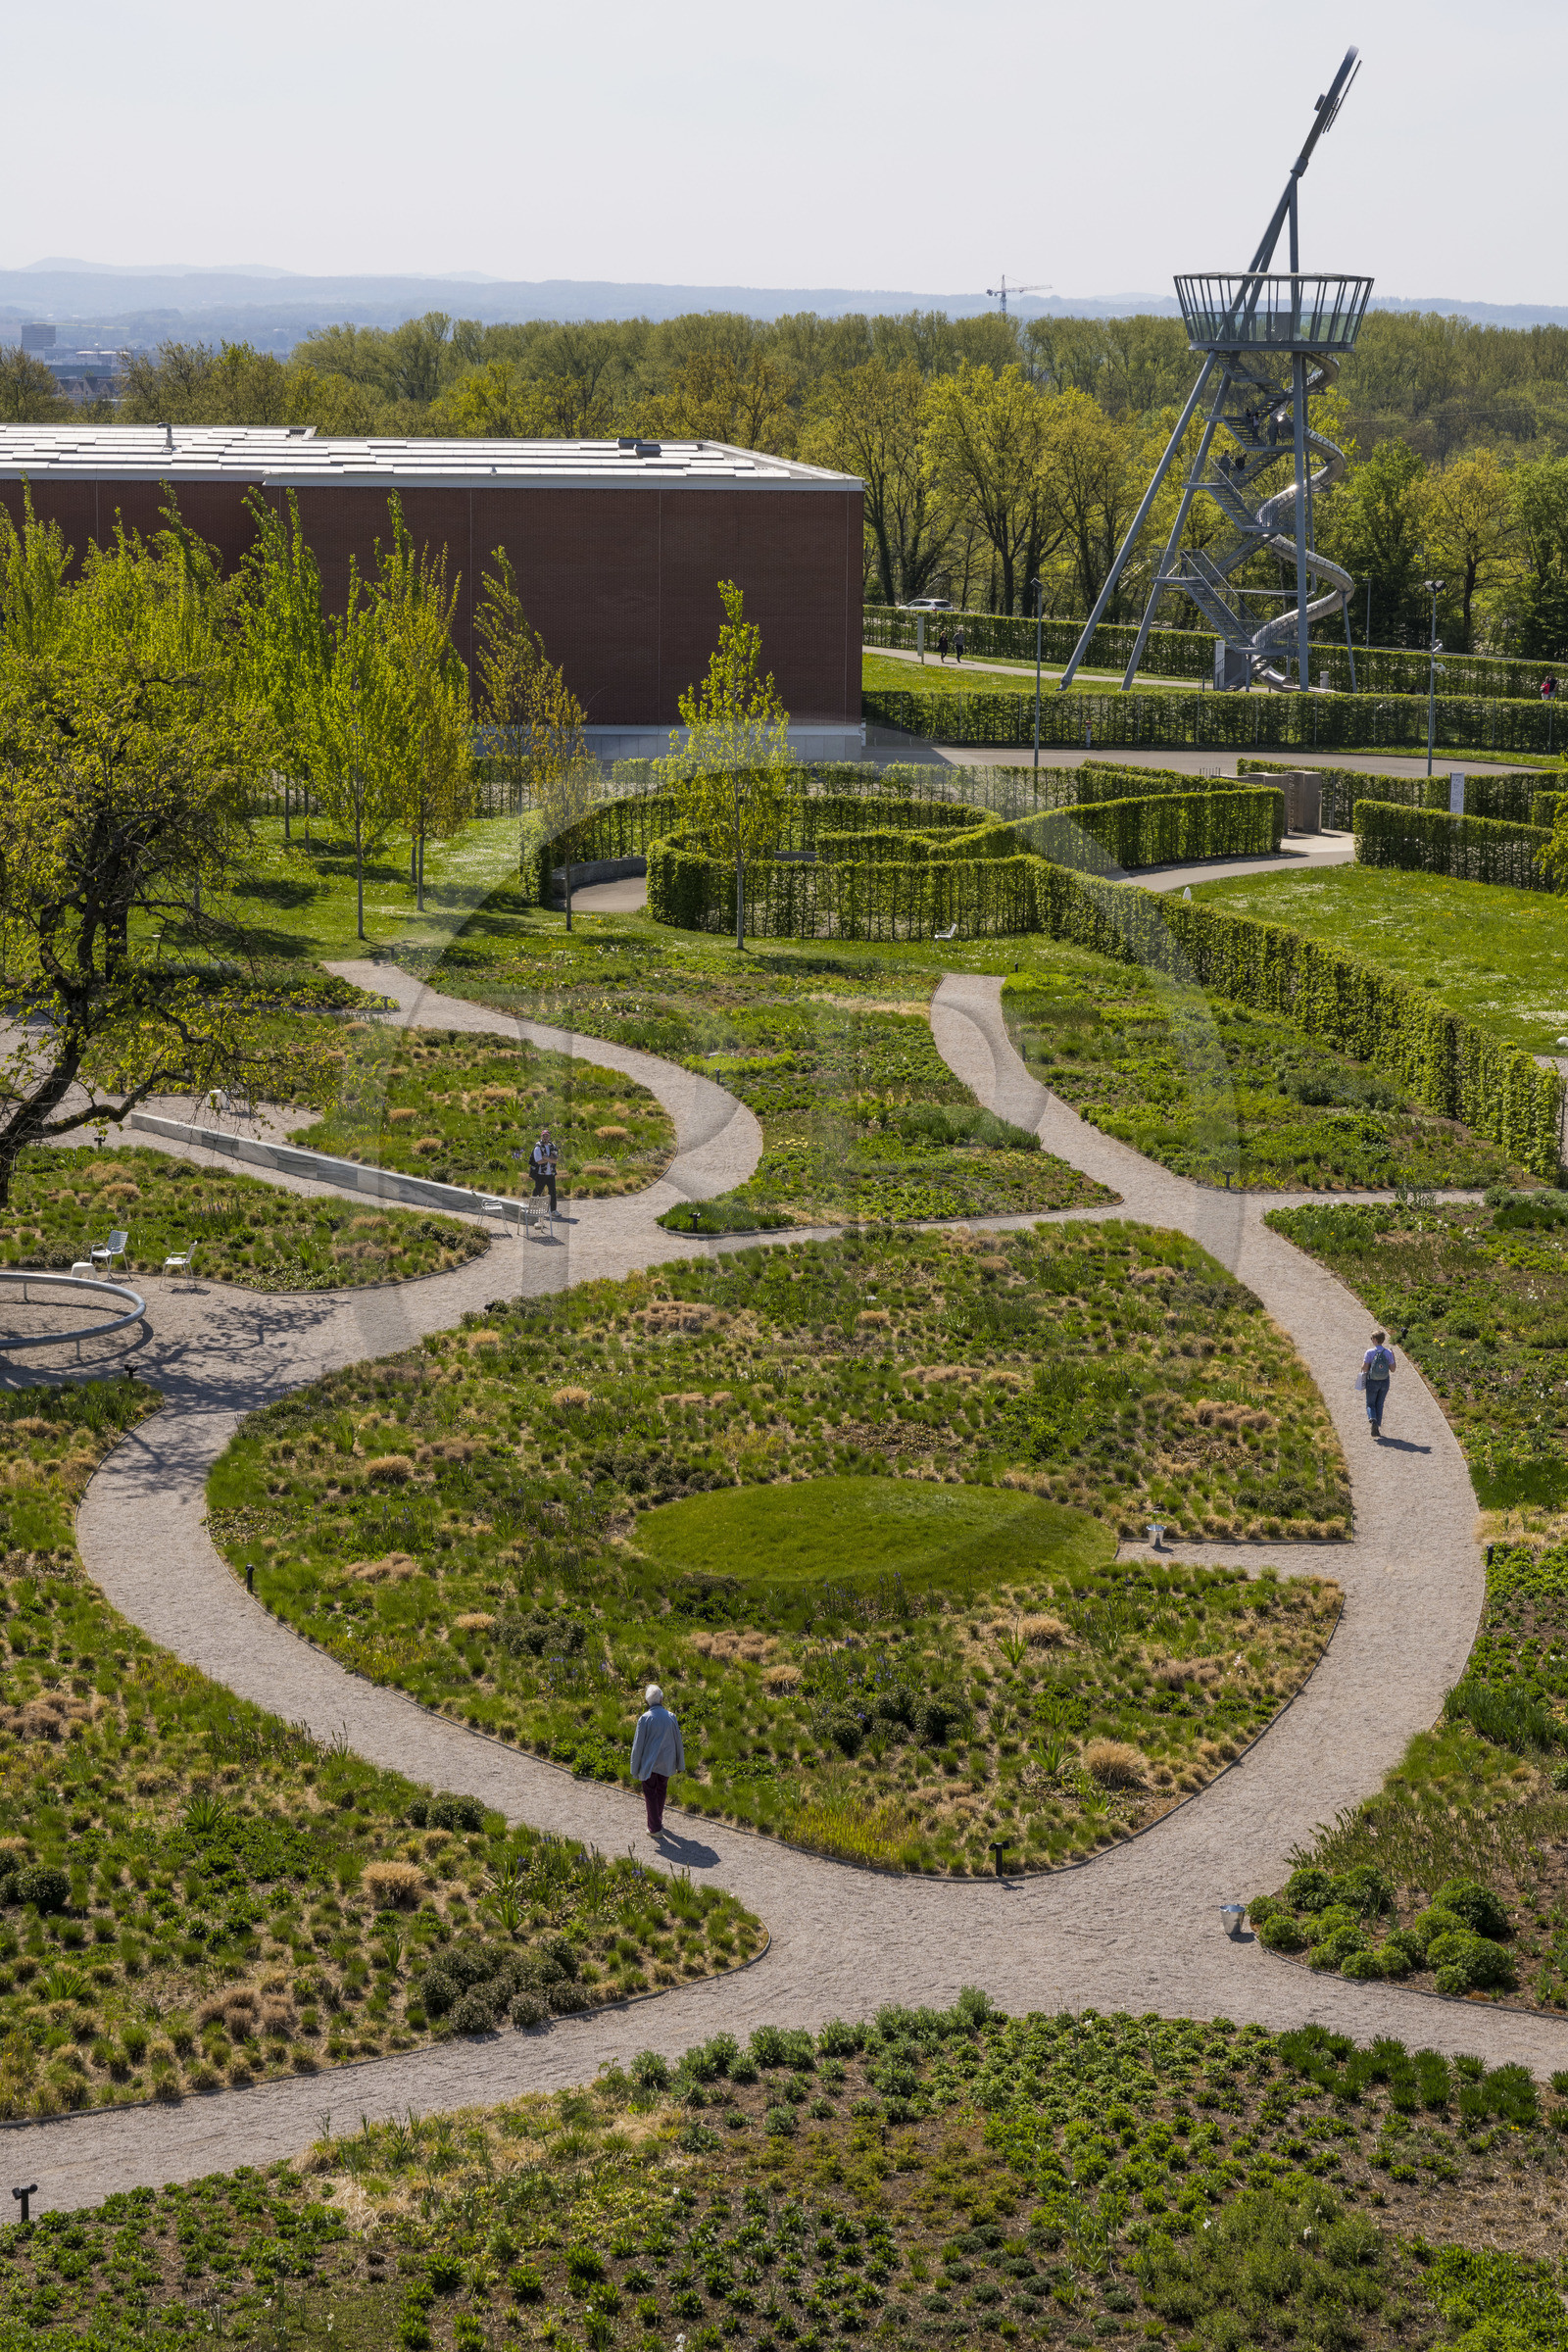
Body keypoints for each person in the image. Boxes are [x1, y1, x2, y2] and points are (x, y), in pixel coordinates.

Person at [630, 1684, 684, 1838]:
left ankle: (654, 1828)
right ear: (661, 1699)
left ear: (648, 1701)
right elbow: (677, 1741)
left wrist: (635, 1768)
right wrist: (680, 1763)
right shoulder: (671, 1717)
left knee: (650, 1793)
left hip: (650, 1764)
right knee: (661, 1791)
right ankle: (658, 1821)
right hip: (667, 1763)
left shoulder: (645, 1719)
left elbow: (638, 1746)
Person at [1360, 1328, 1396, 1439]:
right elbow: (1393, 1369)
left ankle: (1373, 1420)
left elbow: (1365, 1369)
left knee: (1370, 1403)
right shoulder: (1388, 1353)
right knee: (1380, 1403)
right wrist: (1393, 1357)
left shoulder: (1369, 1352)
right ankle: (1377, 1427)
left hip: (1372, 1381)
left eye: (1372, 1338)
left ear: (1375, 1340)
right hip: (1384, 1381)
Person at [529, 1126, 559, 1213]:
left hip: (551, 1174)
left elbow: (555, 1160)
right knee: (537, 1191)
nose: (545, 1137)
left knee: (552, 1192)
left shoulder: (552, 1146)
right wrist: (549, 1159)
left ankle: (553, 1210)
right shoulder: (538, 1146)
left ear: (549, 1136)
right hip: (541, 1174)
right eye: (544, 1136)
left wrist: (545, 1158)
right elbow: (538, 1161)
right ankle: (533, 1209)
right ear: (541, 1136)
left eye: (547, 1135)